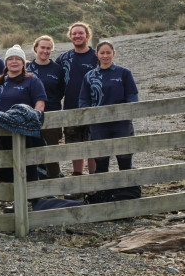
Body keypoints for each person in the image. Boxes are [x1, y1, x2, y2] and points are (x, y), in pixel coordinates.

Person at [78, 41, 139, 174]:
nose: (105, 56)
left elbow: (132, 97)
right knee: (101, 158)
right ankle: (103, 193)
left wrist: (127, 115)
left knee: (124, 157)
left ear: (113, 53)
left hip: (121, 123)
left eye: (108, 53)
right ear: (97, 54)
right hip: (98, 124)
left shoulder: (124, 73)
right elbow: (83, 101)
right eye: (102, 53)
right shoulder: (89, 76)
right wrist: (90, 118)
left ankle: (126, 191)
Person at [0, 45, 47, 185]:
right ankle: (16, 200)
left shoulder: (32, 80)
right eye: (10, 59)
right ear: (6, 63)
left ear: (23, 62)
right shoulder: (0, 82)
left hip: (26, 129)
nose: (14, 62)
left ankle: (35, 199)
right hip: (4, 129)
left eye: (17, 59)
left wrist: (34, 121)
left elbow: (40, 104)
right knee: (10, 164)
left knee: (29, 164)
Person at [57, 22, 100, 176]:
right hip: (70, 108)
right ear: (70, 36)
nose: (77, 36)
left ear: (87, 36)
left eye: (80, 33)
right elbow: (50, 73)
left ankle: (94, 182)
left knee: (92, 146)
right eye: (74, 33)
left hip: (93, 108)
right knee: (75, 146)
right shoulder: (63, 58)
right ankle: (78, 179)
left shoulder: (97, 56)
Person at [27, 35, 66, 178]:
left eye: (48, 48)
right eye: (42, 47)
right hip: (31, 115)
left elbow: (61, 90)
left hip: (52, 114)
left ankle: (53, 183)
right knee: (31, 150)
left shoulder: (57, 69)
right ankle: (33, 182)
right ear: (36, 48)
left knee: (52, 152)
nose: (45, 51)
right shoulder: (27, 67)